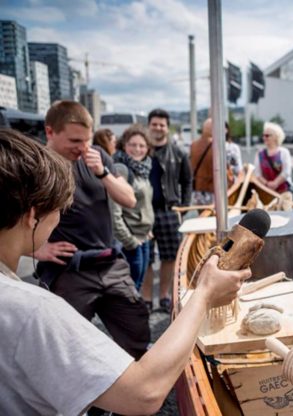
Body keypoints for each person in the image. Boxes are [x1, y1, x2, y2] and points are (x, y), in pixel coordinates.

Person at [0, 128, 251, 415]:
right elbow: (143, 393)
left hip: (105, 263)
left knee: (134, 324)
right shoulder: (32, 311)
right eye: (60, 209)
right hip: (77, 271)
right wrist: (204, 294)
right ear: (33, 216)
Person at [33, 101, 150, 360]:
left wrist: (103, 172)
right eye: (75, 140)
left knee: (137, 331)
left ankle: (129, 392)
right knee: (68, 346)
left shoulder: (96, 156)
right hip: (69, 270)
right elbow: (14, 217)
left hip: (110, 263)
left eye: (86, 140)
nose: (82, 147)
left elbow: (129, 199)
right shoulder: (36, 166)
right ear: (50, 132)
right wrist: (37, 250)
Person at [142, 108, 192, 312]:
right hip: (143, 212)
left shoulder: (178, 152)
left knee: (170, 257)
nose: (158, 128)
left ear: (167, 127)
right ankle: (146, 298)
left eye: (162, 124)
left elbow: (187, 180)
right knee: (146, 258)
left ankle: (163, 296)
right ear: (149, 125)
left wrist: (184, 206)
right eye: (154, 124)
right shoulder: (140, 149)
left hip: (169, 210)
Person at [110, 124, 154, 291]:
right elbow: (114, 213)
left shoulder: (143, 169)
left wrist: (148, 228)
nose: (137, 149)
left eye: (142, 145)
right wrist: (130, 241)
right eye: (132, 145)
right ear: (124, 145)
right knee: (130, 289)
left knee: (137, 286)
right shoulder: (121, 169)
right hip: (130, 240)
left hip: (144, 236)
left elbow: (145, 204)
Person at [254, 121, 293, 194]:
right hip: (266, 192)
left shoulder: (284, 152)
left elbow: (286, 171)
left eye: (267, 135)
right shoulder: (259, 153)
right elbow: (257, 173)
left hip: (283, 191)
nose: (264, 138)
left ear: (276, 136)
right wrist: (267, 184)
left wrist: (276, 183)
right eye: (263, 135)